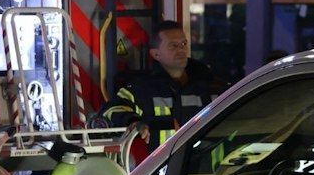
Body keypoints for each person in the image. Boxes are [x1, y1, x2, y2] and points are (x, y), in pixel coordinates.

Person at [98, 19, 228, 148]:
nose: (181, 50)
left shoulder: (208, 85)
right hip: (164, 167)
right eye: (173, 46)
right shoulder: (143, 89)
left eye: (183, 44)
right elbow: (111, 109)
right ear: (155, 54)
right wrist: (132, 121)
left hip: (211, 167)